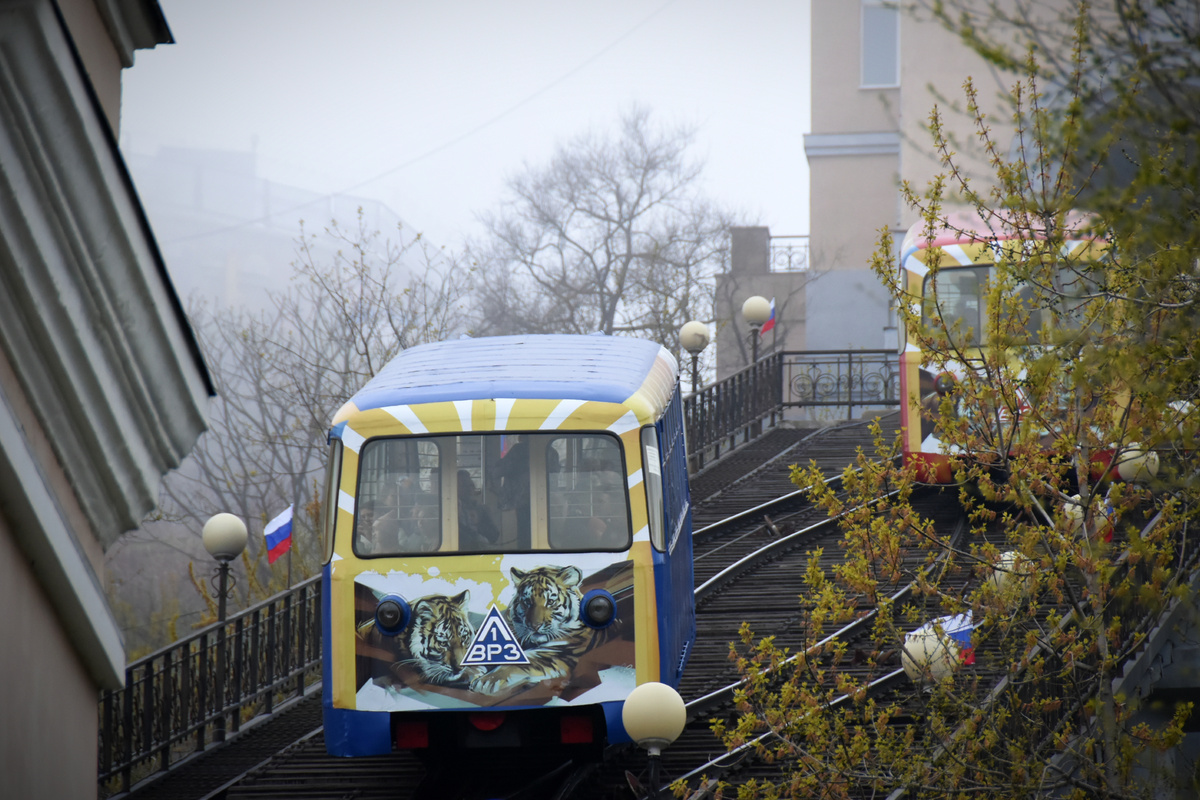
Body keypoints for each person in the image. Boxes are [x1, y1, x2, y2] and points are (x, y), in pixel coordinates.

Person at [457, 469, 499, 550]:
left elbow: (494, 536)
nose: (468, 489)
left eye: (470, 485)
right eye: (463, 485)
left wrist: (479, 524)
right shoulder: (448, 510)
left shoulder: (482, 509)